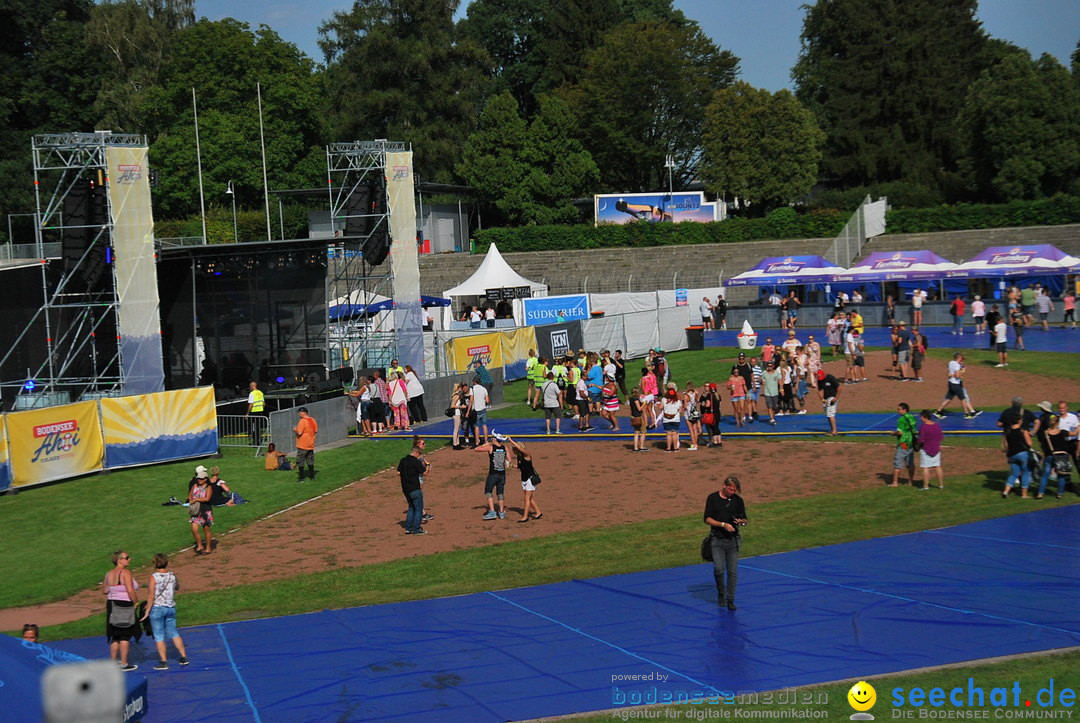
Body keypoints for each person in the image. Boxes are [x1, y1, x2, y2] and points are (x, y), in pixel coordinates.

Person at [704, 476, 748, 611]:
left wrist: (741, 522)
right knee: (718, 569)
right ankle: (721, 593)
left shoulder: (738, 501)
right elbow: (707, 519)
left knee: (732, 571)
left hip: (733, 540)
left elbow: (745, 518)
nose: (732, 492)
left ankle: (730, 599)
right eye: (730, 489)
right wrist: (723, 525)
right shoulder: (712, 498)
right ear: (724, 485)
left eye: (734, 490)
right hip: (717, 540)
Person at [140, 553, 190, 670]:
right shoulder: (172, 576)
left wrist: (147, 611)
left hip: (157, 609)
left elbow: (151, 595)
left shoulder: (153, 577)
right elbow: (177, 587)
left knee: (159, 636)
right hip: (170, 608)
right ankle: (183, 657)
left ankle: (163, 661)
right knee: (173, 633)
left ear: (155, 564)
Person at [104, 550, 140, 671]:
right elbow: (130, 590)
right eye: (127, 557)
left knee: (115, 635)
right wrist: (136, 602)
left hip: (111, 604)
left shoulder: (108, 573)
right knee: (125, 635)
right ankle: (124, 663)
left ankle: (113, 662)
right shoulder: (125, 573)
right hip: (124, 604)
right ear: (119, 560)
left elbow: (105, 590)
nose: (129, 559)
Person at [932, 353, 980, 419]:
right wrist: (962, 371)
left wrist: (952, 374)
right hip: (956, 384)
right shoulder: (957, 365)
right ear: (959, 358)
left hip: (950, 383)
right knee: (963, 399)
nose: (962, 361)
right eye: (962, 359)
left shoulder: (951, 362)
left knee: (949, 398)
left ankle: (938, 411)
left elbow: (950, 371)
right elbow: (957, 376)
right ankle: (966, 414)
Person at [398, 436, 430, 534]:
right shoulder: (416, 462)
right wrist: (428, 465)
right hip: (415, 488)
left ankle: (408, 528)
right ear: (416, 452)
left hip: (405, 489)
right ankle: (416, 529)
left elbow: (398, 472)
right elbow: (425, 473)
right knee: (418, 509)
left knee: (411, 507)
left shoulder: (403, 460)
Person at [507, 436, 542, 522]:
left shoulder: (527, 455)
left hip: (530, 479)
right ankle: (538, 512)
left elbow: (519, 448)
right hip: (524, 479)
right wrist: (510, 465)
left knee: (526, 499)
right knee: (529, 498)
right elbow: (520, 467)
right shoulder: (519, 457)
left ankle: (525, 517)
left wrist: (511, 440)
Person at [476, 433, 509, 519]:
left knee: (488, 491)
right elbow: (509, 459)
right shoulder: (505, 448)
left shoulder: (491, 448)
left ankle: (492, 511)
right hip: (502, 474)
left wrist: (486, 444)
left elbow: (477, 449)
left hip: (493, 474)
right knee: (500, 492)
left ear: (495, 440)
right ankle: (501, 512)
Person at [1002, 417, 1033, 498]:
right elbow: (1029, 443)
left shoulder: (1007, 431)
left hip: (1012, 455)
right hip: (1023, 454)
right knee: (1025, 473)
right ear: (1019, 421)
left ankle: (1006, 491)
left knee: (1013, 474)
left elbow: (1006, 446)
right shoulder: (1023, 431)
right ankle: (1024, 494)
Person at [890, 403, 918, 487]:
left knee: (898, 462)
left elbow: (900, 432)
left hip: (904, 443)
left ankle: (895, 482)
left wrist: (893, 433)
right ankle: (910, 481)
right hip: (911, 442)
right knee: (910, 463)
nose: (898, 411)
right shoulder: (912, 417)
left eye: (899, 409)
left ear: (904, 410)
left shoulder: (901, 419)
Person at [917, 409, 945, 490]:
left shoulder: (923, 427)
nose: (921, 419)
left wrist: (917, 445)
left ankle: (926, 486)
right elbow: (941, 437)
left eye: (921, 417)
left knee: (926, 468)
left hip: (926, 449)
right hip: (936, 449)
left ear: (925, 417)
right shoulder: (937, 425)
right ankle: (941, 485)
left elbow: (921, 440)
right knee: (937, 466)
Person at [188, 471, 213, 554]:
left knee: (206, 530)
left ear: (205, 479)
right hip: (196, 511)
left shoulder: (208, 487)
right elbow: (190, 495)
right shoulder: (195, 486)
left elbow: (207, 498)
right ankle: (200, 545)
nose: (199, 480)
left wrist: (196, 499)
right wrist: (191, 499)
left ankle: (208, 547)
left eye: (201, 478)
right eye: (198, 478)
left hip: (205, 510)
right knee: (194, 529)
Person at [294, 407, 318, 482]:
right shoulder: (312, 420)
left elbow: (300, 432)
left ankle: (301, 478)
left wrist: (295, 429)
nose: (298, 414)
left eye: (299, 412)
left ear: (303, 413)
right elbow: (316, 430)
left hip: (303, 444)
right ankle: (312, 476)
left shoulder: (302, 421)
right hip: (311, 443)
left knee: (300, 461)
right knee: (310, 460)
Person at [817, 369, 842, 436]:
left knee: (830, 414)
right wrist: (822, 399)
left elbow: (839, 387)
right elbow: (819, 391)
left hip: (832, 397)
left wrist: (836, 398)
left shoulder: (830, 378)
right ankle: (832, 430)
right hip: (826, 399)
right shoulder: (819, 380)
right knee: (828, 415)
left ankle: (834, 431)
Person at [660, 388, 683, 452]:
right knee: (675, 434)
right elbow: (680, 411)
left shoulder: (664, 400)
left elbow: (660, 407)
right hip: (675, 419)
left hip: (666, 419)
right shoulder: (678, 401)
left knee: (668, 434)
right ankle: (675, 448)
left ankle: (668, 448)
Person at [700, 382, 723, 447]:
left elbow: (708, 405)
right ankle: (719, 441)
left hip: (711, 413)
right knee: (717, 428)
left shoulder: (709, 395)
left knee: (713, 428)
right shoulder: (718, 395)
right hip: (717, 413)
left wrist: (703, 405)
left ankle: (715, 442)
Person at [450, 382, 471, 449]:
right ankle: (455, 444)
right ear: (458, 388)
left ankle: (457, 443)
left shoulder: (457, 395)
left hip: (458, 413)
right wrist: (460, 407)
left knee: (458, 429)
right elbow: (452, 406)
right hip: (456, 413)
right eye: (461, 388)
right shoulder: (456, 396)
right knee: (456, 429)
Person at [471, 376, 491, 444]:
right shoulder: (484, 389)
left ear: (474, 381)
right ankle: (486, 441)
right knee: (484, 425)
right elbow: (487, 401)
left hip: (476, 410)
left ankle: (477, 441)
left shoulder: (472, 389)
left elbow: (471, 400)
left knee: (476, 426)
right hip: (483, 409)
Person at [245, 381, 265, 446]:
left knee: (253, 427)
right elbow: (264, 403)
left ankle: (255, 441)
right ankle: (258, 440)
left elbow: (251, 404)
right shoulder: (260, 392)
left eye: (250, 386)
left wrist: (247, 413)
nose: (249, 387)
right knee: (258, 427)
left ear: (253, 386)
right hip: (260, 411)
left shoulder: (252, 393)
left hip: (254, 412)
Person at [629, 386, 647, 451]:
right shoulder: (636, 400)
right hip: (638, 417)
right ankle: (641, 446)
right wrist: (644, 404)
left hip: (633, 416)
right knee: (643, 432)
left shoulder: (631, 399)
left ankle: (635, 447)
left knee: (636, 432)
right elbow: (639, 409)